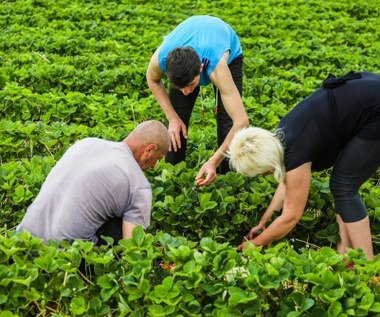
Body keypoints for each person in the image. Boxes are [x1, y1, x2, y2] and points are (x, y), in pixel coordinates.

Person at [227, 71, 380, 260]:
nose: (264, 175)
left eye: (260, 171)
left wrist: (254, 244)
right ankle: (346, 252)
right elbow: (287, 184)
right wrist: (264, 222)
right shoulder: (280, 137)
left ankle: (367, 265)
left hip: (376, 107)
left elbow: (290, 217)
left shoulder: (296, 151)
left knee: (344, 186)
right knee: (341, 185)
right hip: (368, 90)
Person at [16, 120, 170, 245]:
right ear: (149, 150)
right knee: (121, 226)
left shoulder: (86, 143)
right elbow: (133, 247)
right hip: (65, 255)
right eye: (158, 158)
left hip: (23, 240)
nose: (154, 165)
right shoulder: (138, 184)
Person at [146, 15, 249, 186]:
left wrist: (212, 161)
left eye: (191, 84)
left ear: (201, 70)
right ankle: (173, 177)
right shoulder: (162, 58)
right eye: (180, 87)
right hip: (192, 42)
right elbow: (152, 79)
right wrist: (172, 117)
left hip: (226, 49)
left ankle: (228, 182)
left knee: (228, 123)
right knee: (176, 123)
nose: (185, 92)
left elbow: (242, 121)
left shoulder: (217, 67)